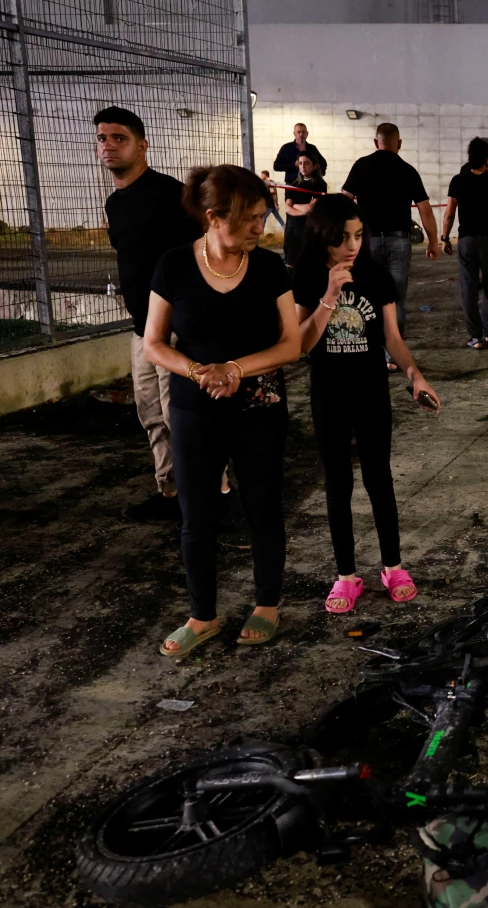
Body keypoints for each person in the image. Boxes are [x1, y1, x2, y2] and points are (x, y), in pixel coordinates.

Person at [141, 165, 301, 656]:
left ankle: (267, 604)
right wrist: (199, 372)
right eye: (249, 218)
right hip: (195, 407)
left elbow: (291, 344)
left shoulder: (269, 267)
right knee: (197, 515)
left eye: (262, 215)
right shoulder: (173, 265)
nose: (260, 226)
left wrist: (234, 368)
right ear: (213, 217)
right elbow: (153, 343)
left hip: (259, 405)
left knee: (262, 507)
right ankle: (202, 615)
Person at [292, 194, 441, 612]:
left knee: (379, 478)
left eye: (358, 235)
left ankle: (393, 567)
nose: (352, 246)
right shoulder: (306, 276)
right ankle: (346, 576)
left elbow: (392, 338)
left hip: (371, 391)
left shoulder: (376, 276)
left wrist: (415, 375)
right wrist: (329, 294)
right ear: (322, 236)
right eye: (342, 237)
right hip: (328, 393)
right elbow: (301, 344)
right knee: (338, 482)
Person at [96, 106, 206, 523]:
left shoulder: (172, 195)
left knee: (183, 417)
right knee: (152, 416)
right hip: (142, 329)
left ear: (142, 145)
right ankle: (171, 492)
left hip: (176, 330)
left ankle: (212, 493)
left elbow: (202, 253)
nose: (108, 145)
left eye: (119, 138)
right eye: (102, 138)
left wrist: (189, 317)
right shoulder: (114, 203)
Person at [339, 123, 442, 341]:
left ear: (376, 142)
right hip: (399, 242)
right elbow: (425, 210)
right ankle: (394, 350)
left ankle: (370, 346)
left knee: (366, 297)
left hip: (367, 242)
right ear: (399, 143)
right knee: (395, 298)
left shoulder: (361, 165)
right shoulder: (408, 170)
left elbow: (343, 202)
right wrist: (433, 242)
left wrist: (343, 238)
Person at [442, 137, 488, 349]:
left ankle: (475, 337)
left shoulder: (458, 180)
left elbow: (449, 213)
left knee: (468, 288)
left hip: (466, 240)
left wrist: (445, 238)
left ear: (469, 156)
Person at [282, 153, 324, 268]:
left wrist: (295, 205)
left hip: (309, 230)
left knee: (308, 264)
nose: (303, 166)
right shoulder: (294, 184)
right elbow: (287, 208)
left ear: (314, 166)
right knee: (291, 264)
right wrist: (303, 211)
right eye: (300, 163)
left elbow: (310, 208)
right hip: (293, 230)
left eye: (307, 163)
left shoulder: (319, 184)